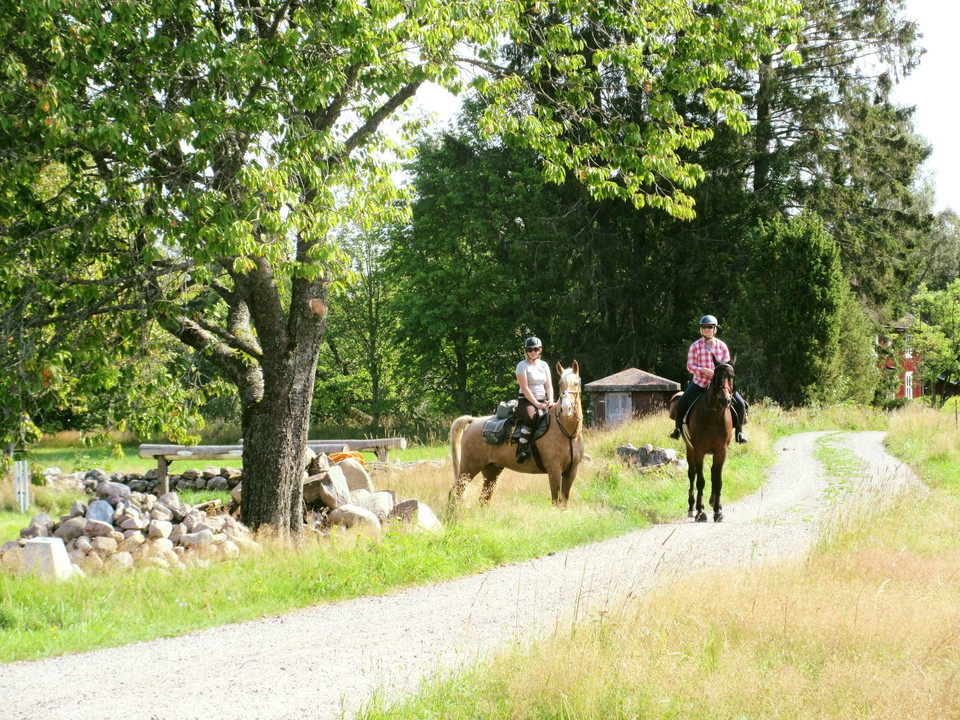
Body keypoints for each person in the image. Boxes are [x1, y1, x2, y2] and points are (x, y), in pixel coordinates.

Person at [669, 315, 749, 444]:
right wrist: (703, 370)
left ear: (714, 329)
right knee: (682, 401)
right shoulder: (695, 346)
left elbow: (727, 366)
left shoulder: (721, 346)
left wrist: (720, 374)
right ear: (701, 330)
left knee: (740, 403)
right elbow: (690, 366)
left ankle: (739, 432)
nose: (707, 329)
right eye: (704, 327)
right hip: (700, 383)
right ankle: (677, 429)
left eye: (710, 327)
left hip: (720, 384)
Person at [515, 336, 555, 462]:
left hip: (544, 400)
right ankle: (522, 449)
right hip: (526, 401)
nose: (533, 352)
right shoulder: (522, 366)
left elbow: (548, 385)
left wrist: (551, 400)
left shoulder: (544, 365)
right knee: (531, 417)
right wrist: (537, 404)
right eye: (530, 349)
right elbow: (525, 388)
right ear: (526, 351)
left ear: (540, 350)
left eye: (536, 349)